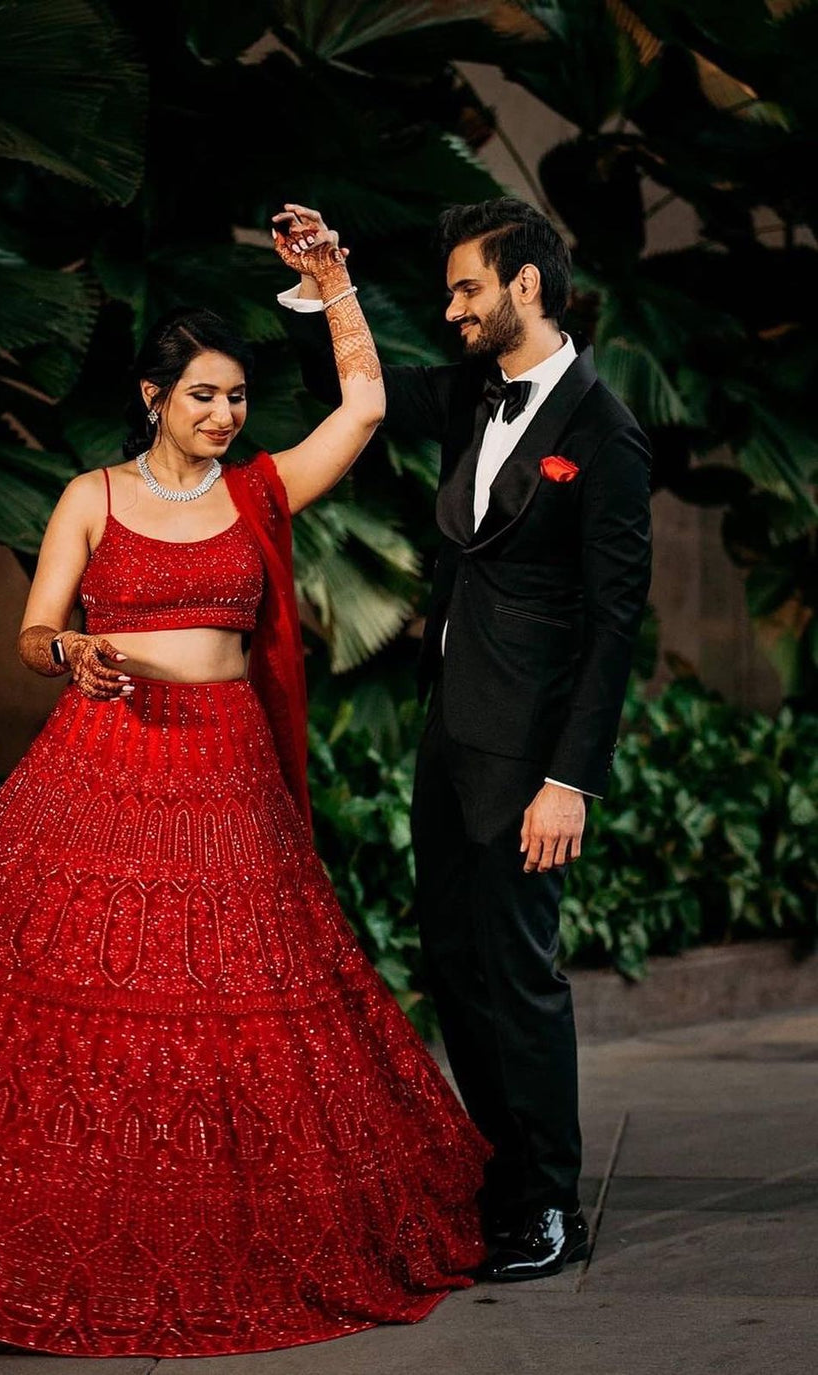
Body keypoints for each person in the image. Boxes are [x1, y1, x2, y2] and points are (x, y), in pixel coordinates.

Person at [0, 222, 494, 1358]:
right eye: (202, 396)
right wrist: (67, 652)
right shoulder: (89, 496)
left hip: (227, 772)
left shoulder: (261, 492)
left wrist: (332, 288)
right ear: (153, 396)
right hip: (108, 761)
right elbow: (36, 629)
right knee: (62, 1010)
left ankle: (227, 1230)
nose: (224, 415)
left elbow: (365, 411)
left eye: (233, 397)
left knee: (235, 1012)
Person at [276, 197, 652, 1281]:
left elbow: (611, 622)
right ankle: (497, 1177)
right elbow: (355, 390)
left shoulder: (603, 433)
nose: (449, 310)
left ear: (522, 287)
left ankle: (546, 1205)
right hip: (451, 730)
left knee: (517, 971)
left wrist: (566, 779)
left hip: (527, 751)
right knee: (454, 960)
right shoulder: (469, 396)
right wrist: (323, 281)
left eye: (466, 289)